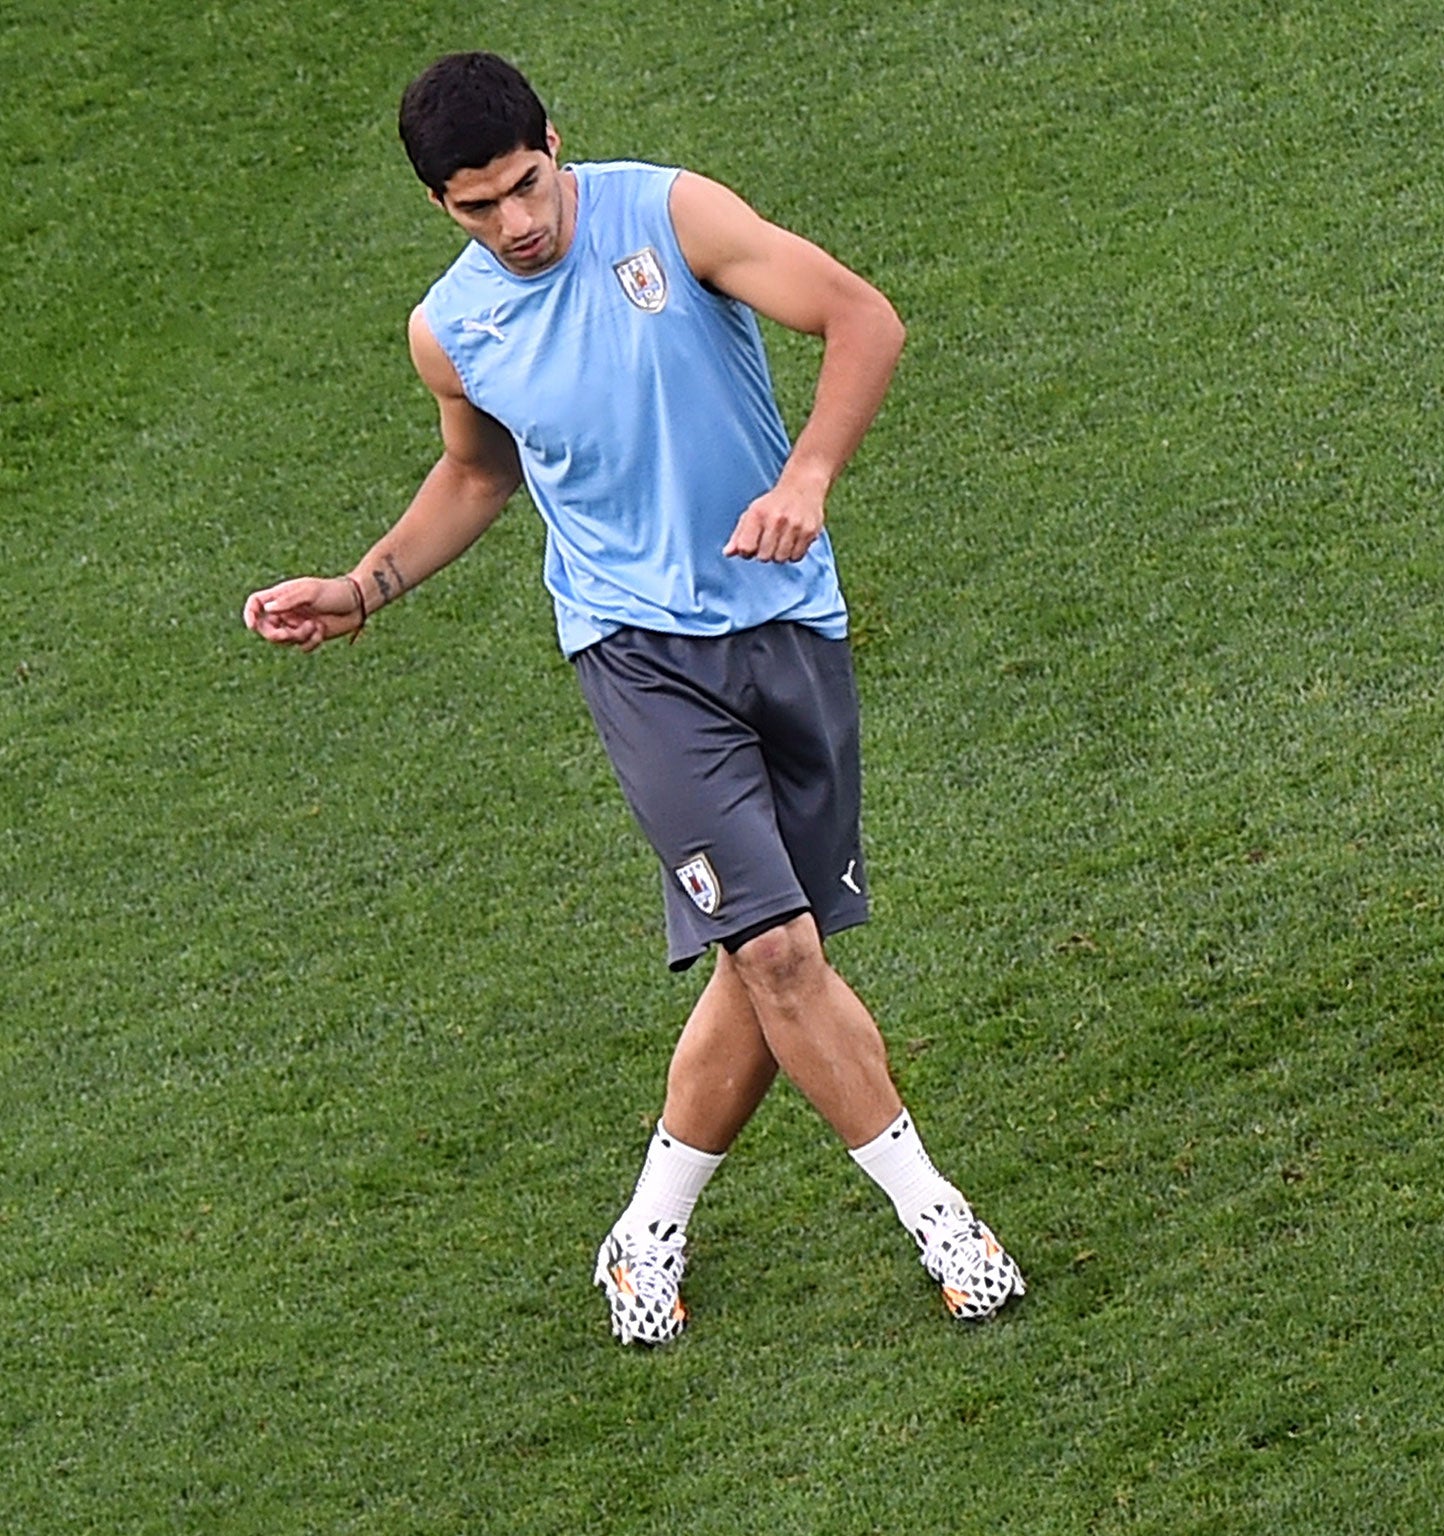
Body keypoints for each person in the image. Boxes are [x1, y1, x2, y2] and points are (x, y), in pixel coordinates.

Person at [242, 50, 1023, 1343]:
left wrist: (812, 477)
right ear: (440, 204)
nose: (520, 224)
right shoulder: (452, 330)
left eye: (530, 187)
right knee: (775, 948)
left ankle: (647, 1227)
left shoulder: (671, 214)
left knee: (777, 961)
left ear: (558, 142)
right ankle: (940, 1219)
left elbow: (861, 318)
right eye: (479, 208)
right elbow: (480, 476)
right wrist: (364, 586)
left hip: (787, 617)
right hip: (637, 654)